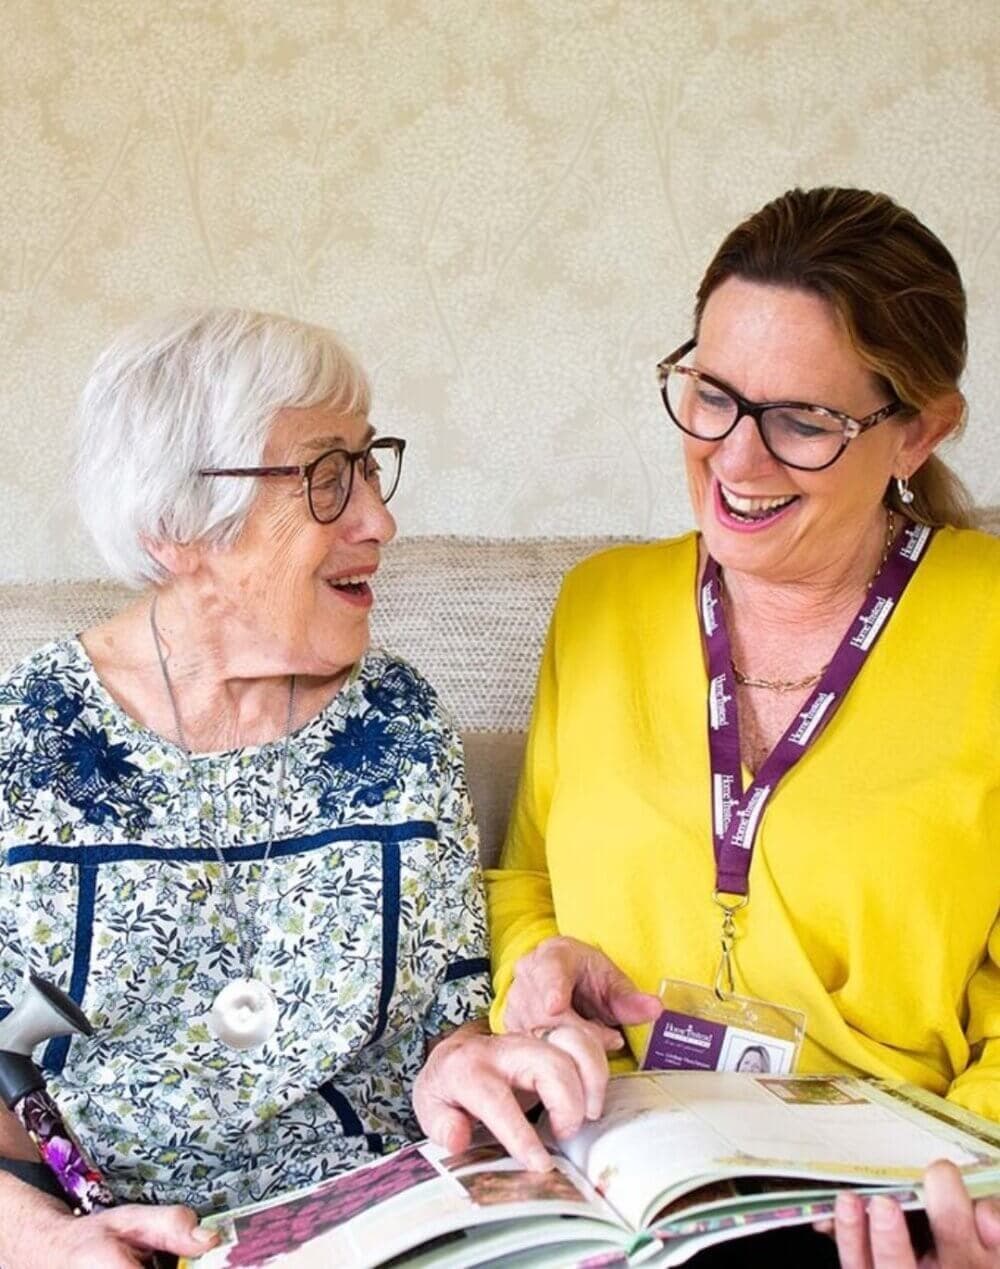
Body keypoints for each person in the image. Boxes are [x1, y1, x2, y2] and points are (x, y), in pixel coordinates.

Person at [483, 188, 1000, 1266]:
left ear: (919, 431)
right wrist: (538, 975)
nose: (735, 459)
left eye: (802, 421)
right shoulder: (600, 603)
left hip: (884, 1199)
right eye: (712, 396)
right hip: (617, 1173)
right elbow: (525, 879)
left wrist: (964, 1196)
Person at [0, 308, 576, 1268]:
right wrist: (44, 1241)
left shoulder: (395, 721)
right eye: (325, 477)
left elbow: (449, 1027)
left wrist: (469, 1065)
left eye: (368, 465)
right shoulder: (26, 741)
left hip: (394, 1227)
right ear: (178, 526)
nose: (379, 520)